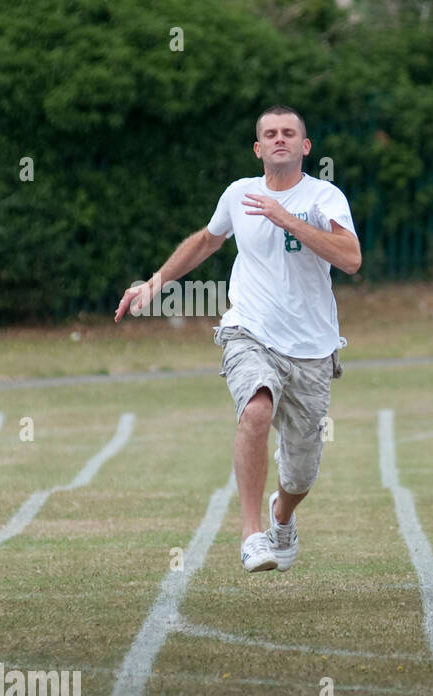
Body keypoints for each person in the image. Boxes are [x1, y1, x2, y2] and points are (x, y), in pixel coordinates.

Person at [115, 105, 360, 573]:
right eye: (270, 134)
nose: (280, 139)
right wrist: (155, 282)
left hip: (311, 347)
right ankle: (251, 535)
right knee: (256, 408)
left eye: (289, 133)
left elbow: (350, 259)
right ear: (258, 147)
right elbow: (207, 241)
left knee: (302, 472)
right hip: (249, 330)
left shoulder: (324, 196)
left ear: (305, 146)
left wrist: (287, 218)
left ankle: (280, 516)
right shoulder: (239, 193)